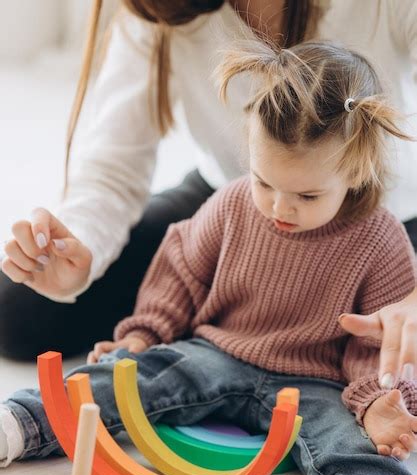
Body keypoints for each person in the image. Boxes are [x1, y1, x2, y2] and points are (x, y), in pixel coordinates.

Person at [1, 37, 417, 475]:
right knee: (129, 377)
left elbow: (380, 340)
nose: (278, 207)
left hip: (316, 383)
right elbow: (182, 269)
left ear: (358, 170)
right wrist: (145, 333)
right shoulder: (232, 202)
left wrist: (377, 402)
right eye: (265, 182)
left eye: (306, 195)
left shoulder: (382, 240)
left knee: (349, 446)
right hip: (216, 352)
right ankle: (18, 425)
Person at [0, 0, 417, 389]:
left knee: (394, 374)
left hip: (384, 223)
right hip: (231, 207)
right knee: (16, 313)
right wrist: (79, 245)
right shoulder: (165, 10)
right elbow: (112, 167)